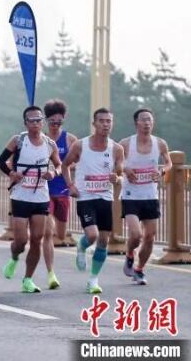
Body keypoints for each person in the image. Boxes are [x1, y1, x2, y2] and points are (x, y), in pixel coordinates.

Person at [0, 106, 62, 293]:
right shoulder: (18, 140)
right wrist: (12, 173)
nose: (35, 123)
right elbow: (0, 161)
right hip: (20, 196)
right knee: (20, 240)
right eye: (31, 120)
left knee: (36, 239)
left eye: (38, 120)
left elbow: (59, 165)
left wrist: (53, 172)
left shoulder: (49, 144)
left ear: (43, 121)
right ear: (25, 122)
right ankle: (14, 257)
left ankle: (28, 279)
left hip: (40, 196)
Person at [62, 107, 124, 294]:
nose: (106, 125)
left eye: (109, 121)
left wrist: (117, 179)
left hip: (105, 197)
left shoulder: (117, 148)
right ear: (94, 123)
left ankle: (93, 279)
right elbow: (65, 166)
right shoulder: (81, 145)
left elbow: (119, 174)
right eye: (102, 121)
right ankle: (81, 247)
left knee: (103, 241)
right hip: (85, 197)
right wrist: (71, 186)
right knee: (92, 235)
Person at [120, 108, 172, 285]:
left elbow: (168, 162)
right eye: (143, 120)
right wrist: (125, 168)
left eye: (149, 120)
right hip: (130, 195)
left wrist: (163, 171)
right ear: (136, 123)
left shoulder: (160, 143)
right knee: (136, 235)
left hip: (150, 195)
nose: (147, 123)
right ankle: (129, 254)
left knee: (150, 236)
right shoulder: (126, 144)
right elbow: (116, 162)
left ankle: (139, 269)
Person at [42, 99, 78, 289]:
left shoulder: (70, 139)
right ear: (46, 121)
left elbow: (79, 160)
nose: (55, 126)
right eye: (52, 122)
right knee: (47, 232)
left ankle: (56, 227)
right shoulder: (40, 139)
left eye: (59, 122)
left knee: (61, 235)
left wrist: (68, 169)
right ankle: (51, 274)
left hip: (63, 189)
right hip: (44, 190)